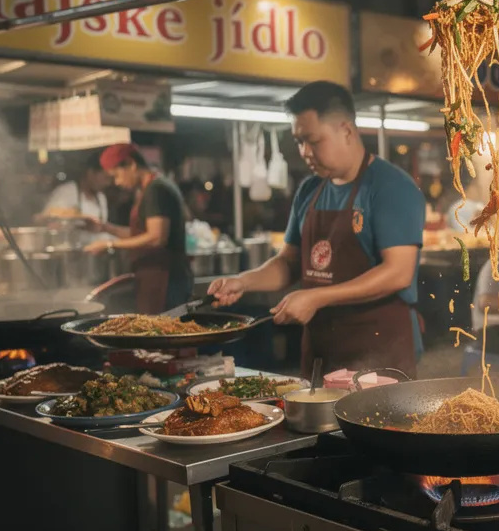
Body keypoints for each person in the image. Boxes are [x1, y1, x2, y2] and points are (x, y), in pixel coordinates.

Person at [207, 81, 424, 376]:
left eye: (313, 140)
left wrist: (317, 297)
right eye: (299, 141)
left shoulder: (390, 186)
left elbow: (398, 272)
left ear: (345, 130)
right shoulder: (310, 189)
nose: (304, 151)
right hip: (322, 350)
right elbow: (288, 262)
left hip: (378, 350)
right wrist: (244, 281)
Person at [84, 144, 191, 313]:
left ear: (131, 164)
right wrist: (105, 227)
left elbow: (156, 237)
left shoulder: (156, 189)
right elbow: (140, 235)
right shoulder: (149, 188)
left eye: (117, 175)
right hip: (154, 278)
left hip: (165, 280)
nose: (117, 182)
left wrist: (110, 245)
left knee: (163, 334)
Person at [40, 151, 110, 238]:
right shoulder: (66, 191)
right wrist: (78, 217)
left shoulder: (101, 197)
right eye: (106, 178)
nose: (108, 183)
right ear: (91, 173)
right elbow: (43, 218)